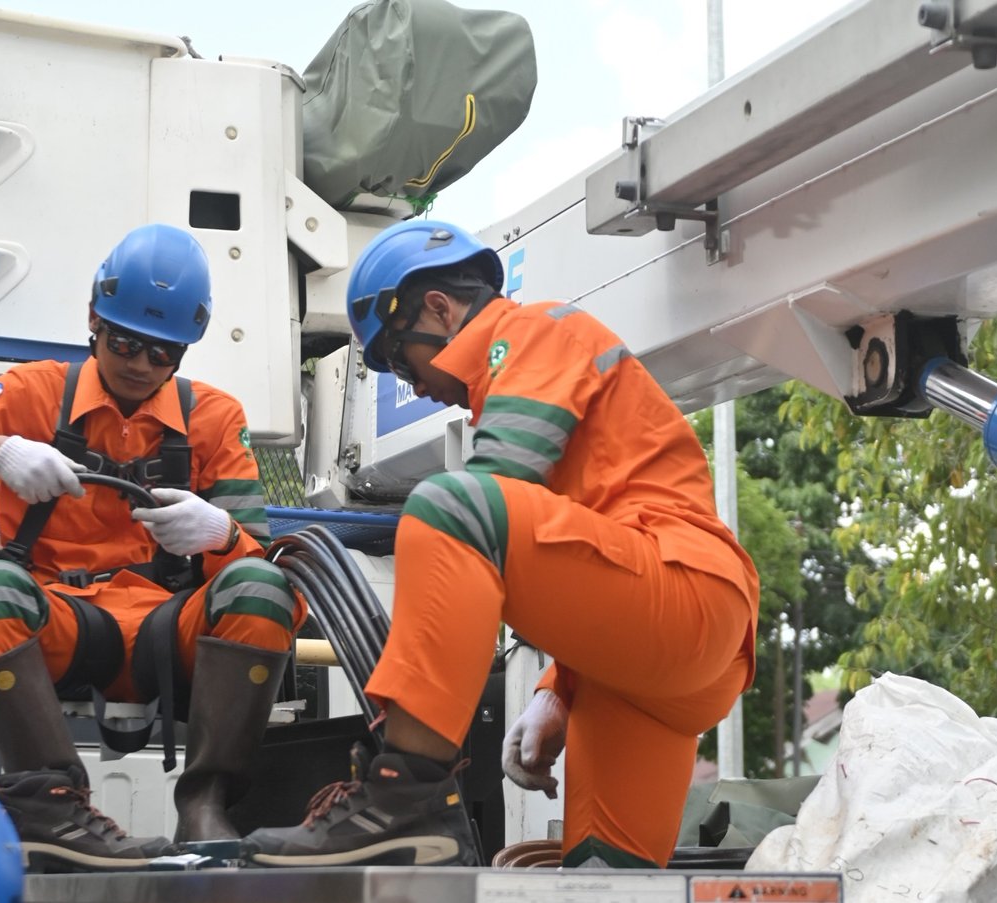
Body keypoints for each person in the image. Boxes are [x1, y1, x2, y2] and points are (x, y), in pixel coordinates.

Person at [239, 219, 759, 869]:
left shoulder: (530, 329)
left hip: (688, 595)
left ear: (438, 307)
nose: (414, 386)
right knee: (605, 881)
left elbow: (494, 494)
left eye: (400, 360)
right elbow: (591, 553)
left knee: (450, 503)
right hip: (671, 652)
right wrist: (556, 691)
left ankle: (402, 797)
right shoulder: (543, 362)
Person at [0, 223, 303, 871]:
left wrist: (220, 535)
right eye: (124, 341)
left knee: (267, 588)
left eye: (162, 353)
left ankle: (207, 801)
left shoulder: (213, 418)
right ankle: (53, 805)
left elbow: (265, 583)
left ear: (182, 353)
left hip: (166, 625)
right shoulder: (31, 393)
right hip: (61, 618)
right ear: (93, 319)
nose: (139, 364)